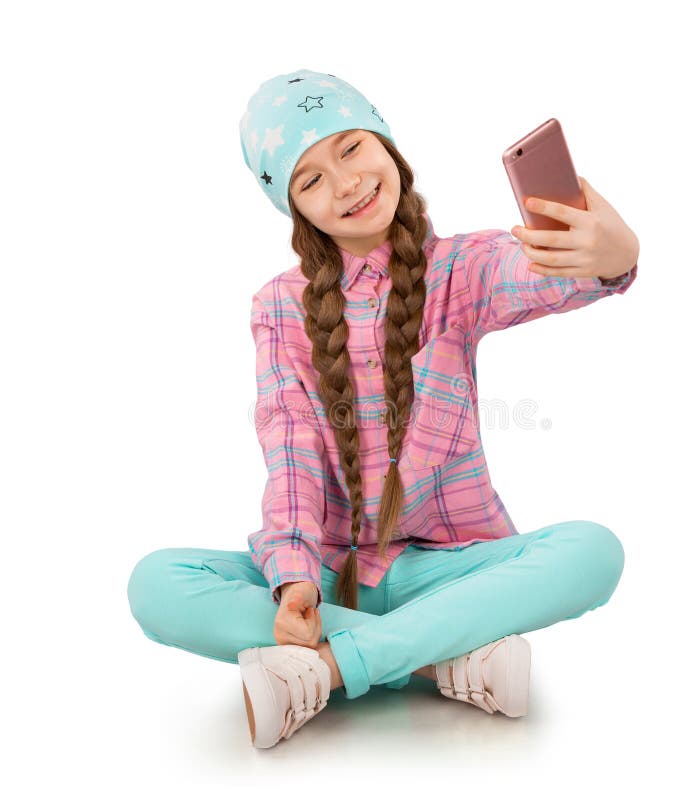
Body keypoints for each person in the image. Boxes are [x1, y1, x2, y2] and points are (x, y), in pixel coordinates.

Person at [127, 68, 640, 749]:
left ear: (386, 146)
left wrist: (613, 258)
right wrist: (292, 583)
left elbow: (538, 274)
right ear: (294, 209)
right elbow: (292, 451)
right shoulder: (280, 307)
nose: (345, 184)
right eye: (308, 179)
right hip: (333, 579)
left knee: (592, 551)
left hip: (450, 568)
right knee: (157, 583)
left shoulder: (459, 270)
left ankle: (329, 668)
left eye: (349, 148)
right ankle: (446, 656)